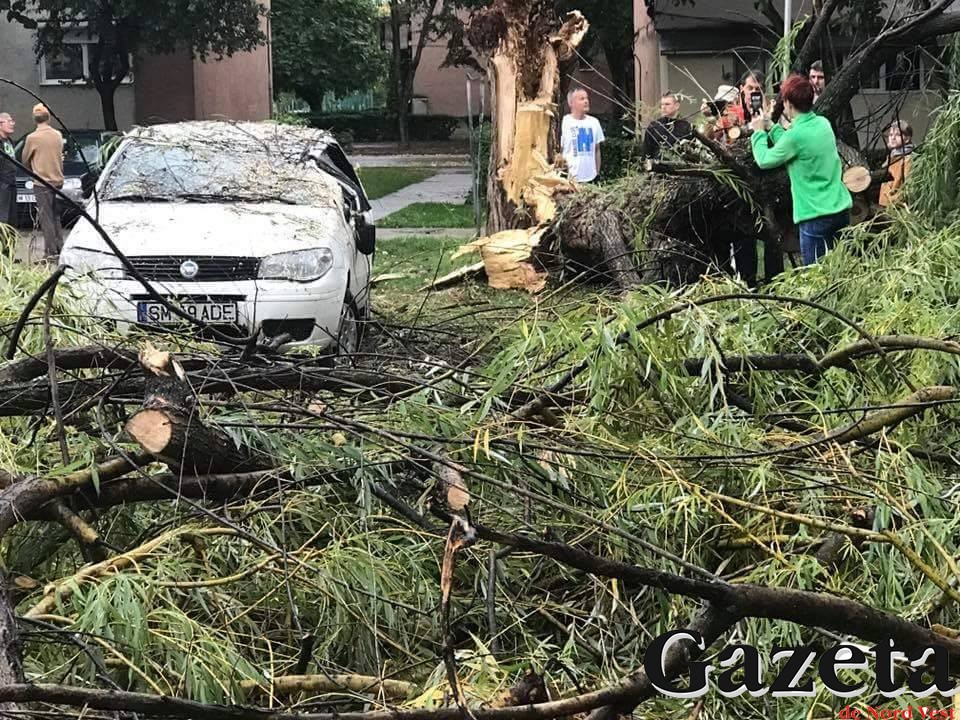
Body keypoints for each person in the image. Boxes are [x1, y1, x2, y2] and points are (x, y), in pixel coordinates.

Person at [750, 74, 852, 266]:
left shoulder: (795, 136)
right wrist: (772, 127)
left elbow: (764, 160)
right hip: (840, 209)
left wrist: (758, 133)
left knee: (816, 279)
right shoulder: (823, 124)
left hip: (815, 215)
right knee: (843, 272)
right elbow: (794, 145)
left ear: (787, 103)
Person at [23, 103, 64, 259]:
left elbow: (25, 159)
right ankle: (60, 246)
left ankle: (50, 251)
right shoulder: (58, 135)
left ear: (34, 119)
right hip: (58, 181)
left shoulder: (32, 138)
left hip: (41, 183)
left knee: (45, 217)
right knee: (56, 216)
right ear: (49, 117)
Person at [561, 87, 605, 183]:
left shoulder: (594, 122)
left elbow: (597, 150)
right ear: (571, 103)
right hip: (570, 179)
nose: (586, 101)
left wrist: (597, 173)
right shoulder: (564, 122)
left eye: (586, 98)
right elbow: (560, 150)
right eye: (581, 99)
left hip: (591, 178)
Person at [644, 92, 692, 159]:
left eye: (667, 104)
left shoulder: (687, 127)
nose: (663, 107)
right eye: (662, 104)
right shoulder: (654, 126)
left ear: (677, 106)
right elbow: (647, 152)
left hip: (680, 166)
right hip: (657, 167)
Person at [878, 120, 914, 208]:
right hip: (887, 203)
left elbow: (909, 185)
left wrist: (895, 200)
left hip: (897, 205)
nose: (893, 138)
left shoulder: (907, 158)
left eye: (898, 135)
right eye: (890, 135)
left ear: (907, 139)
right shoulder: (893, 155)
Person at [0, 112, 16, 228]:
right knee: (2, 219)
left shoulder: (10, 141)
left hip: (11, 184)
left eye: (12, 121)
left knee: (11, 219)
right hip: (2, 184)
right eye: (9, 121)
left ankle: (8, 245)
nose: (12, 124)